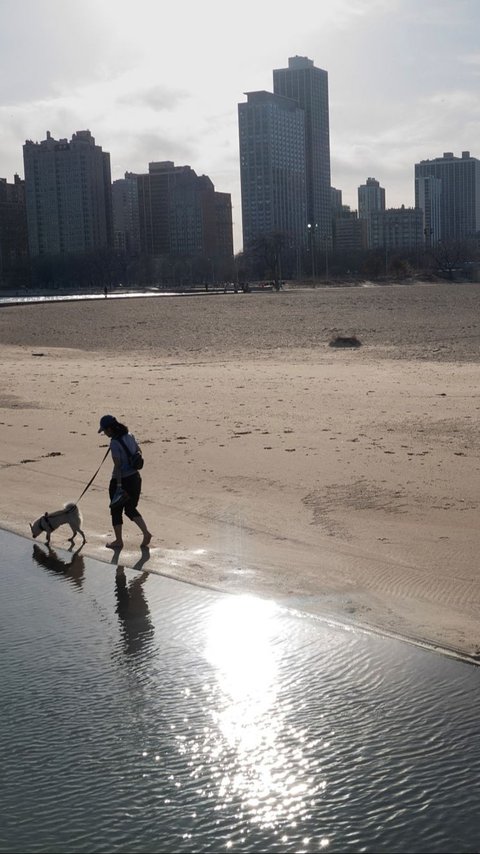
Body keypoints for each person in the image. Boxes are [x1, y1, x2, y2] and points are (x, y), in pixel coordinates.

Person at [97, 414, 152, 550]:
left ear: (110, 429)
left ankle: (118, 541)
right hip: (135, 478)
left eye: (104, 430)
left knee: (116, 510)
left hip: (120, 481)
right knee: (130, 508)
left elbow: (118, 465)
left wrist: (119, 485)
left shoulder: (114, 443)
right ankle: (146, 533)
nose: (104, 433)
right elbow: (139, 451)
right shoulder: (130, 435)